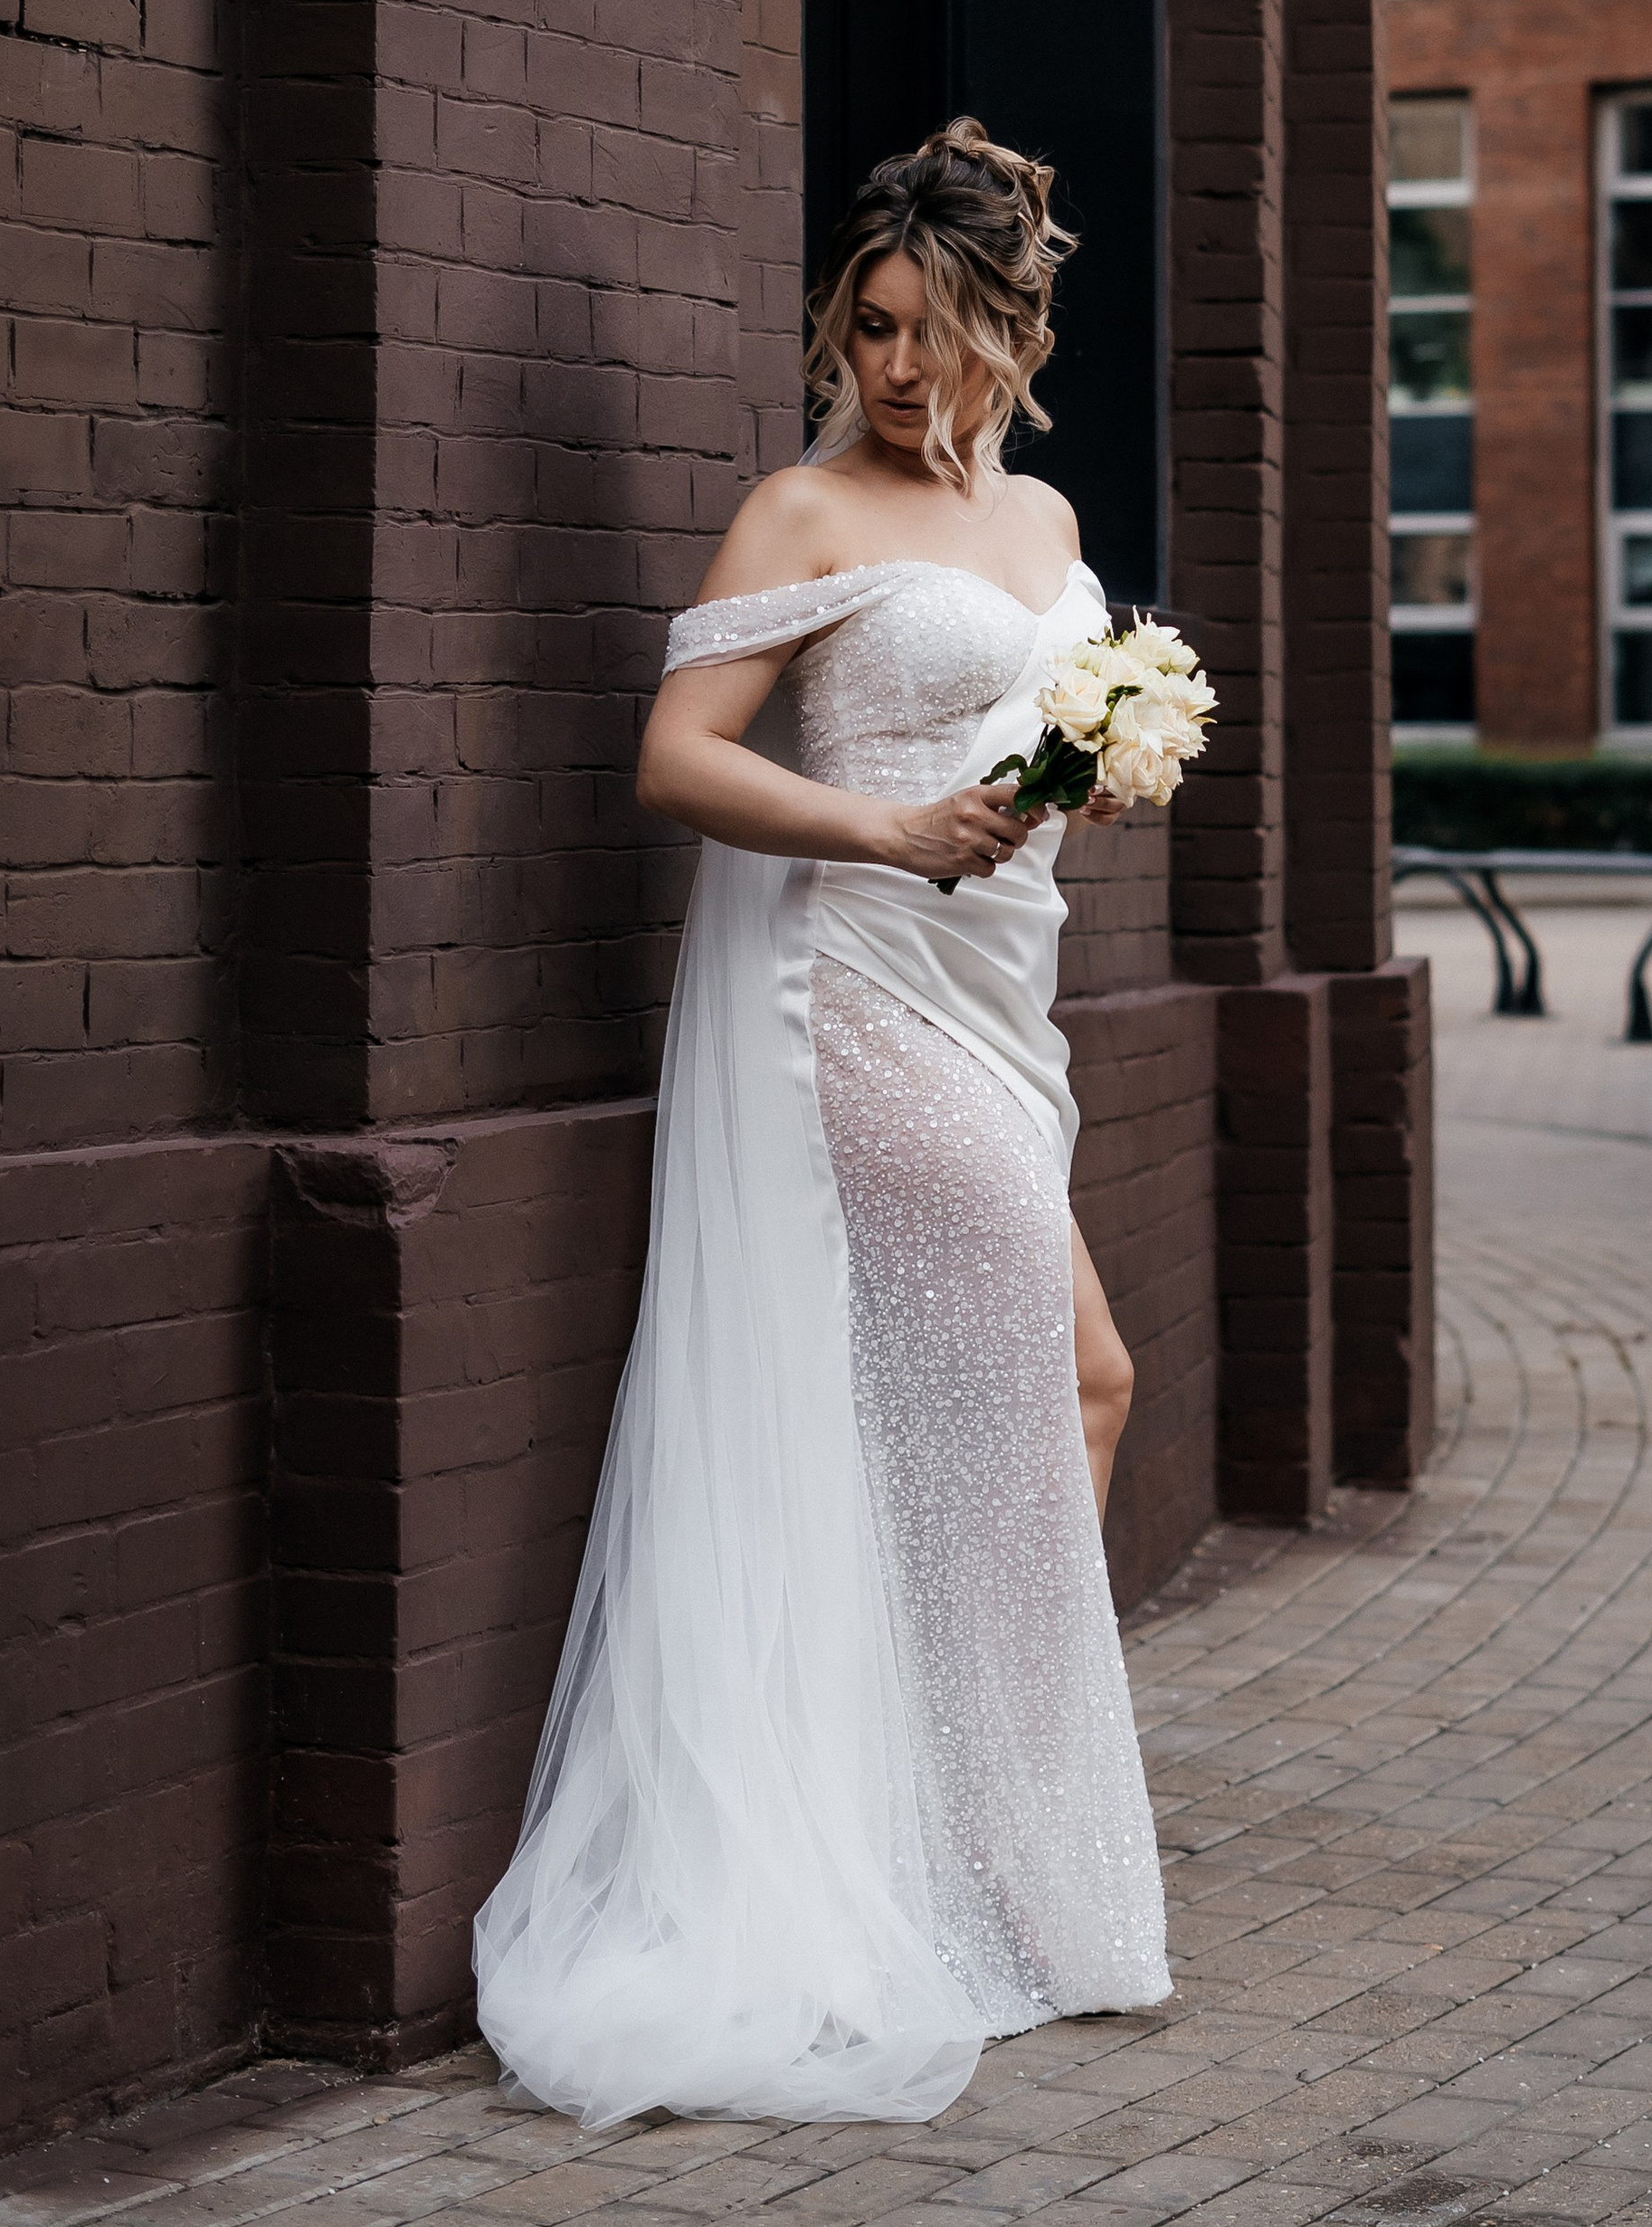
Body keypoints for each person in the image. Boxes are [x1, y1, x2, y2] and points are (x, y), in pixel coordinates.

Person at [472, 119, 1173, 2127]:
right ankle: (952, 1852)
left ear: (1008, 334)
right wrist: (882, 821)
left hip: (993, 994)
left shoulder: (1039, 528)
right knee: (1076, 1377)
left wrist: (1083, 780)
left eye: (930, 326)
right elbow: (672, 761)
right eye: (865, 324)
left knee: (1044, 1400)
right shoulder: (797, 511)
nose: (889, 364)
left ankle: (947, 1835)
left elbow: (1026, 747)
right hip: (850, 998)